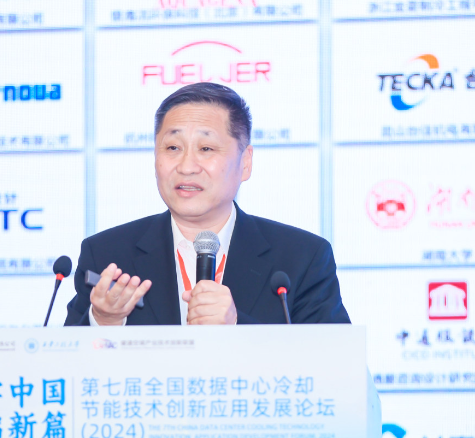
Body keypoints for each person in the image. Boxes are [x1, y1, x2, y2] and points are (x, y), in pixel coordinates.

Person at [64, 82, 349, 326]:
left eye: (206, 148)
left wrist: (237, 327)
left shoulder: (301, 257)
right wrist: (104, 321)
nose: (187, 166)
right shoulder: (107, 254)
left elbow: (334, 362)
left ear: (245, 162)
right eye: (173, 148)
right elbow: (65, 366)